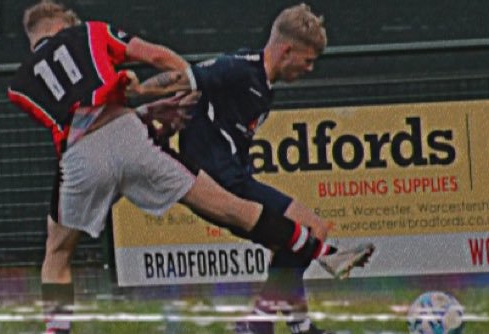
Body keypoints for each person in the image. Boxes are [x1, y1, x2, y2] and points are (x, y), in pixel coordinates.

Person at [5, 2, 368, 333]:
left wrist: (146, 110)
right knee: (262, 218)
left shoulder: (19, 85)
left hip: (82, 153)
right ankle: (319, 262)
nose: (310, 68)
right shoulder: (87, 34)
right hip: (152, 148)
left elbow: (76, 118)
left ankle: (56, 330)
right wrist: (169, 89)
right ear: (64, 26)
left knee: (57, 251)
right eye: (308, 60)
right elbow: (165, 61)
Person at [136, 4, 374, 334]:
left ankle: (289, 325)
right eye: (308, 59)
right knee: (311, 229)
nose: (309, 68)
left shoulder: (261, 82)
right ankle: (264, 324)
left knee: (290, 246)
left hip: (235, 177)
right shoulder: (238, 68)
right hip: (219, 182)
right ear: (287, 50)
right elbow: (184, 78)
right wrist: (134, 94)